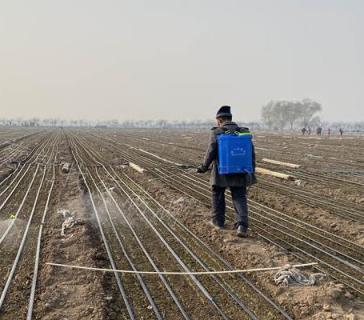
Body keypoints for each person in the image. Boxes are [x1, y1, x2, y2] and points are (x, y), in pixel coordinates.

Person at [196, 106, 256, 237]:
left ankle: (218, 223)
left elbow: (211, 152)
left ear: (219, 119)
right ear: (230, 118)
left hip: (221, 172)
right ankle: (242, 226)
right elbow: (251, 153)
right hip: (241, 170)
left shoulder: (217, 132)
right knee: (239, 197)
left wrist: (203, 167)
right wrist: (251, 171)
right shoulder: (243, 132)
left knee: (217, 195)